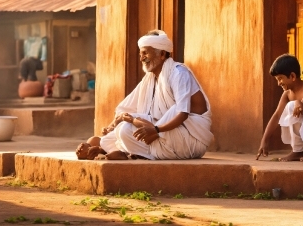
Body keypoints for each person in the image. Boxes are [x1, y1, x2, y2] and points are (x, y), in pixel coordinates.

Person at [77, 29, 213, 160]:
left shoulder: (179, 73)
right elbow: (128, 109)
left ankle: (127, 152)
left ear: (162, 54)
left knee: (172, 111)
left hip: (190, 140)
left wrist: (156, 129)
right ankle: (131, 152)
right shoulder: (150, 79)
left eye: (145, 53)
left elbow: (182, 113)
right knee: (123, 129)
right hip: (163, 138)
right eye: (140, 54)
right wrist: (115, 123)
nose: (142, 58)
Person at [256, 54, 303, 160]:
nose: (279, 83)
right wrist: (264, 140)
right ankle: (297, 150)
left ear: (292, 76)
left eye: (280, 79)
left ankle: (300, 150)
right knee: (290, 106)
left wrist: (297, 102)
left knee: (292, 106)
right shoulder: (287, 94)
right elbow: (277, 116)